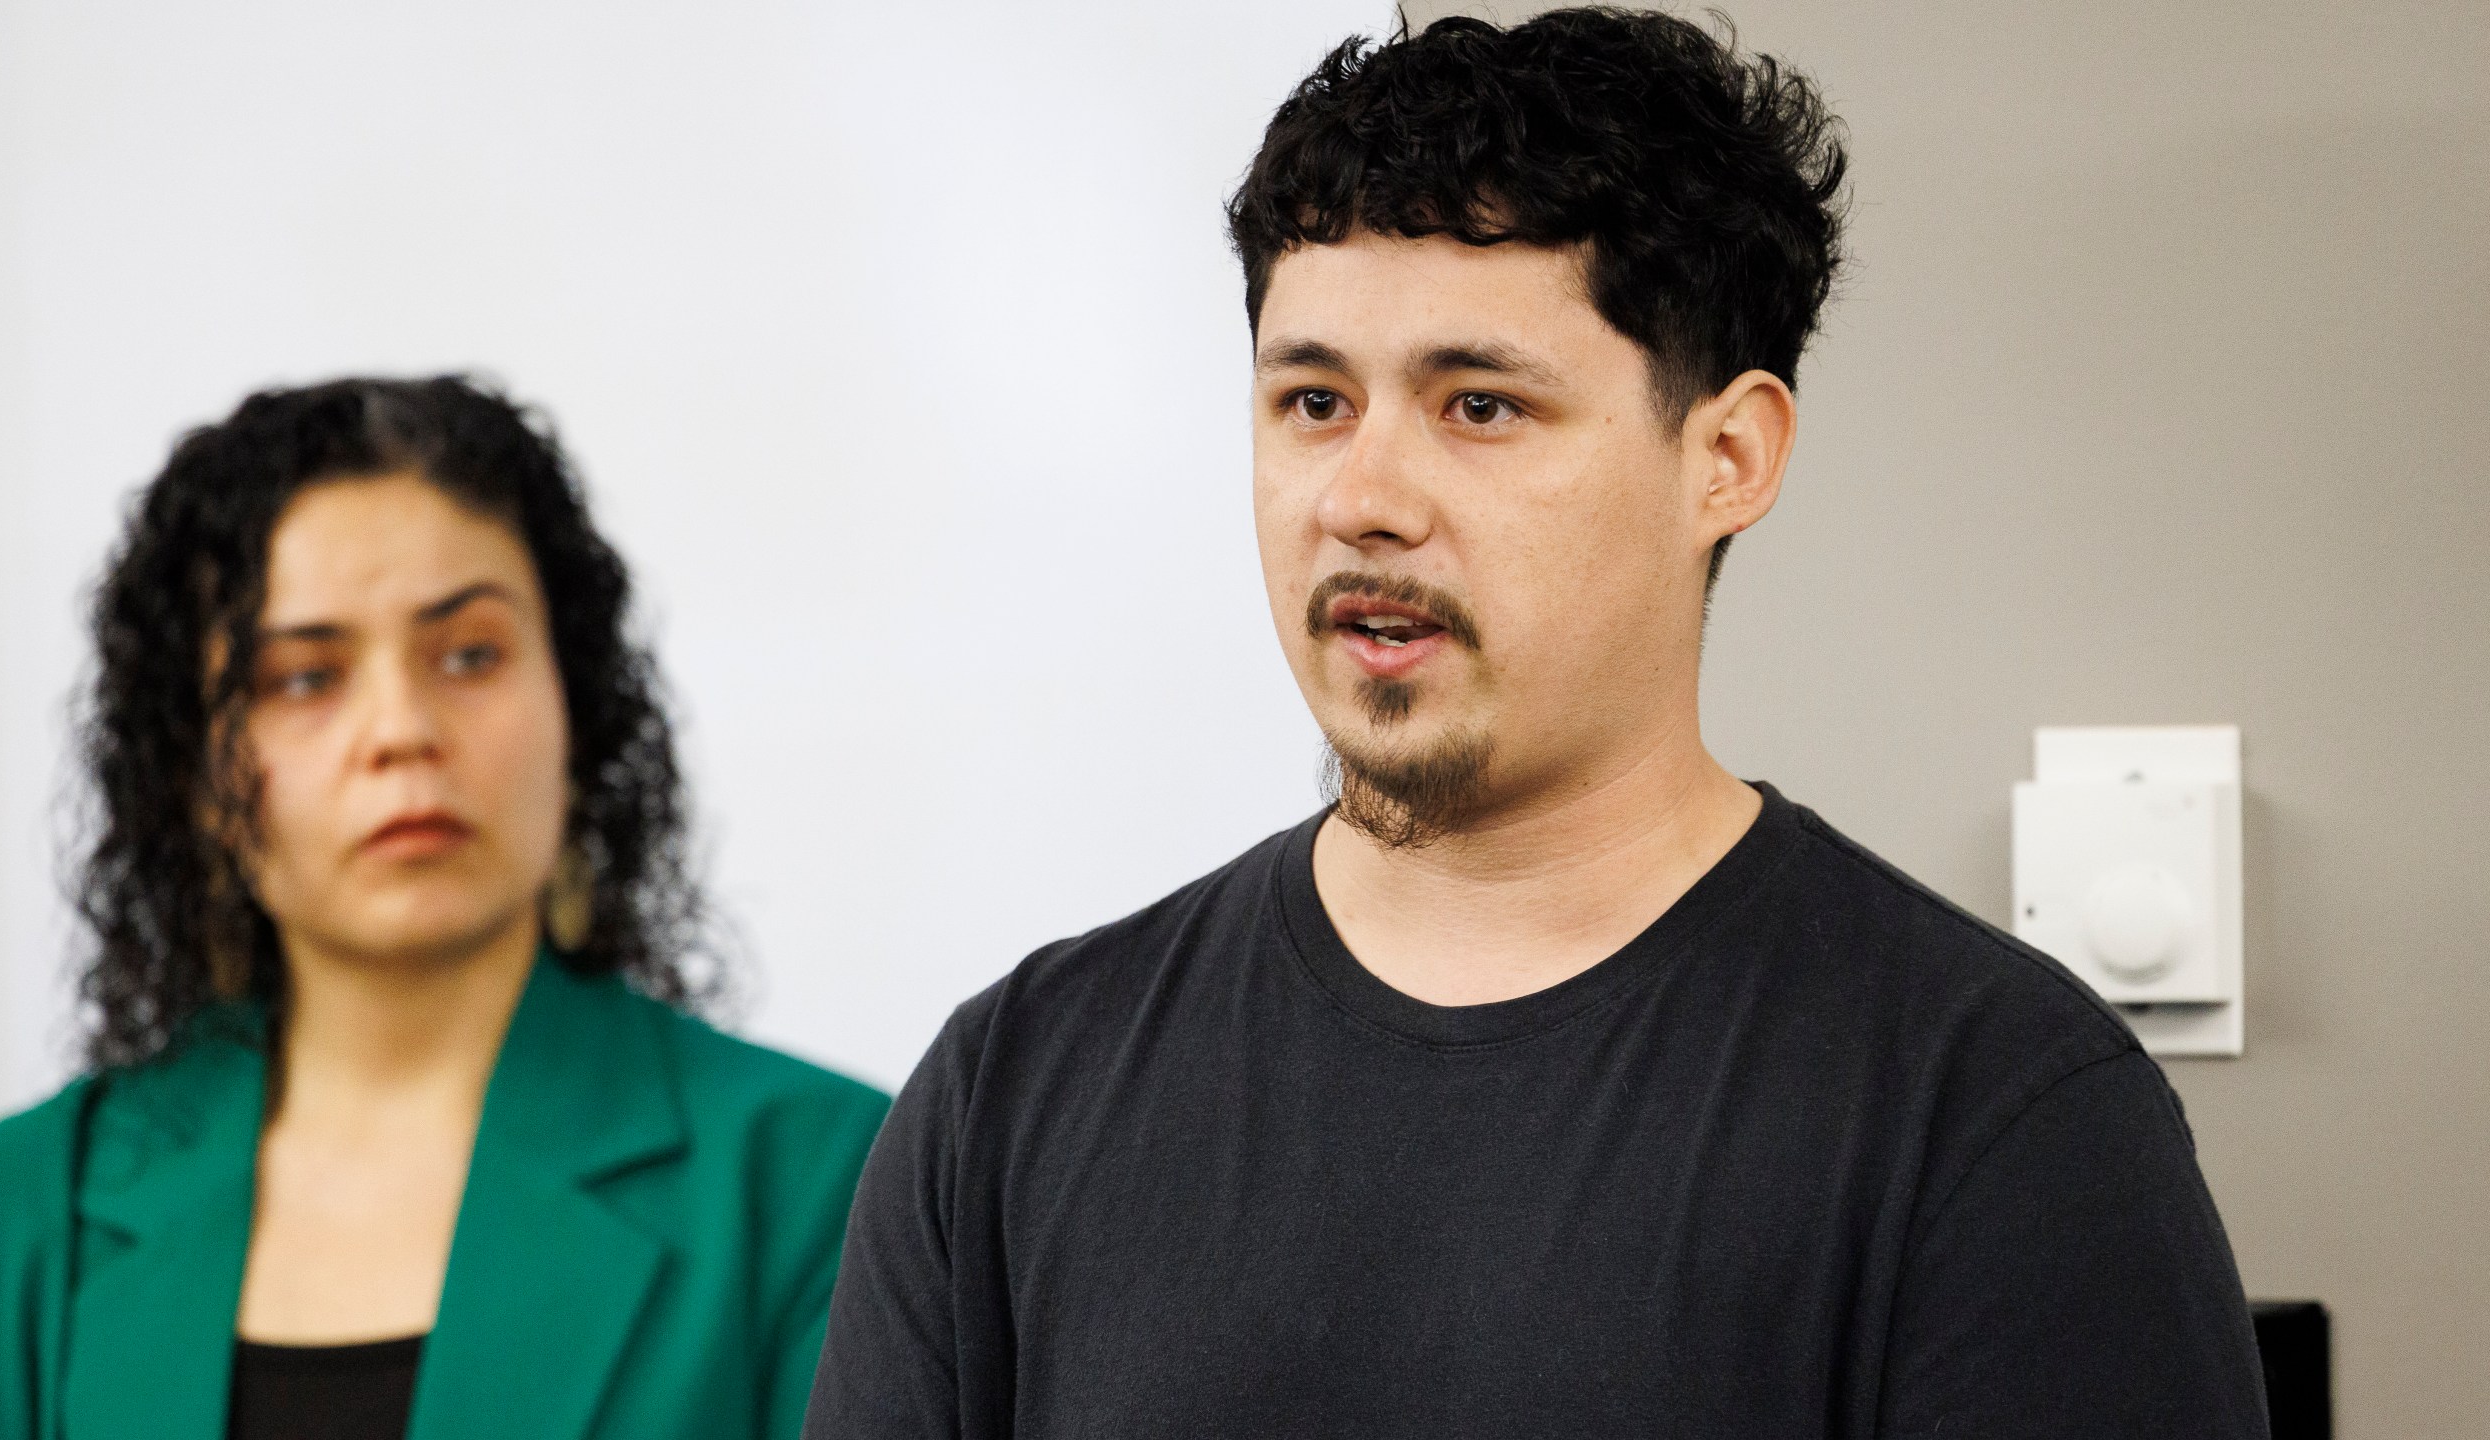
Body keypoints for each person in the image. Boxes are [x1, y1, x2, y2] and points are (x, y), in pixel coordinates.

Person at [806, 11, 2269, 1438]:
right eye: (1312, 401)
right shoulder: (1009, 1097)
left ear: (1728, 456)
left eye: (1480, 407)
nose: (1362, 498)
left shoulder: (1997, 1119)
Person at [0, 377, 888, 1439]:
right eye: (304, 677)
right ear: (194, 774)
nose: (401, 730)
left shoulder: (828, 1182)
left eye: (470, 655)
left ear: (576, 708)